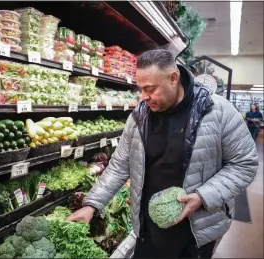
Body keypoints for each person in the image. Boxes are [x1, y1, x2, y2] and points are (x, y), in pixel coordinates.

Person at [67, 50, 258, 258]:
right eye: (140, 89)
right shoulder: (139, 116)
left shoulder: (218, 111)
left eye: (150, 89)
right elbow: (119, 165)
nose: (143, 97)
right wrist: (92, 204)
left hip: (196, 232)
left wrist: (202, 197)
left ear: (173, 78)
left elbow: (244, 164)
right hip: (148, 229)